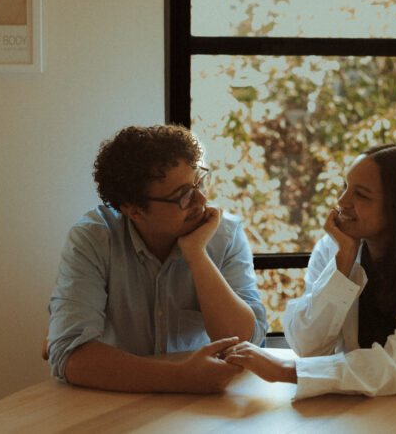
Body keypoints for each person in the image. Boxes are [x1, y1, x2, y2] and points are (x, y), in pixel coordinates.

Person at [223, 144, 396, 400]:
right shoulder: (335, 248)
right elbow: (307, 347)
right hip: (364, 402)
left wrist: (287, 371)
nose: (341, 201)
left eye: (360, 194)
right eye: (345, 186)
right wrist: (342, 265)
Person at [46, 124, 267, 393]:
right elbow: (70, 356)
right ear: (133, 209)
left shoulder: (224, 235)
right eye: (183, 195)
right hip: (116, 400)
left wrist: (197, 256)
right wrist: (180, 377)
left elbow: (246, 341)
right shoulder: (94, 239)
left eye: (199, 182)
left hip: (205, 402)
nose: (201, 199)